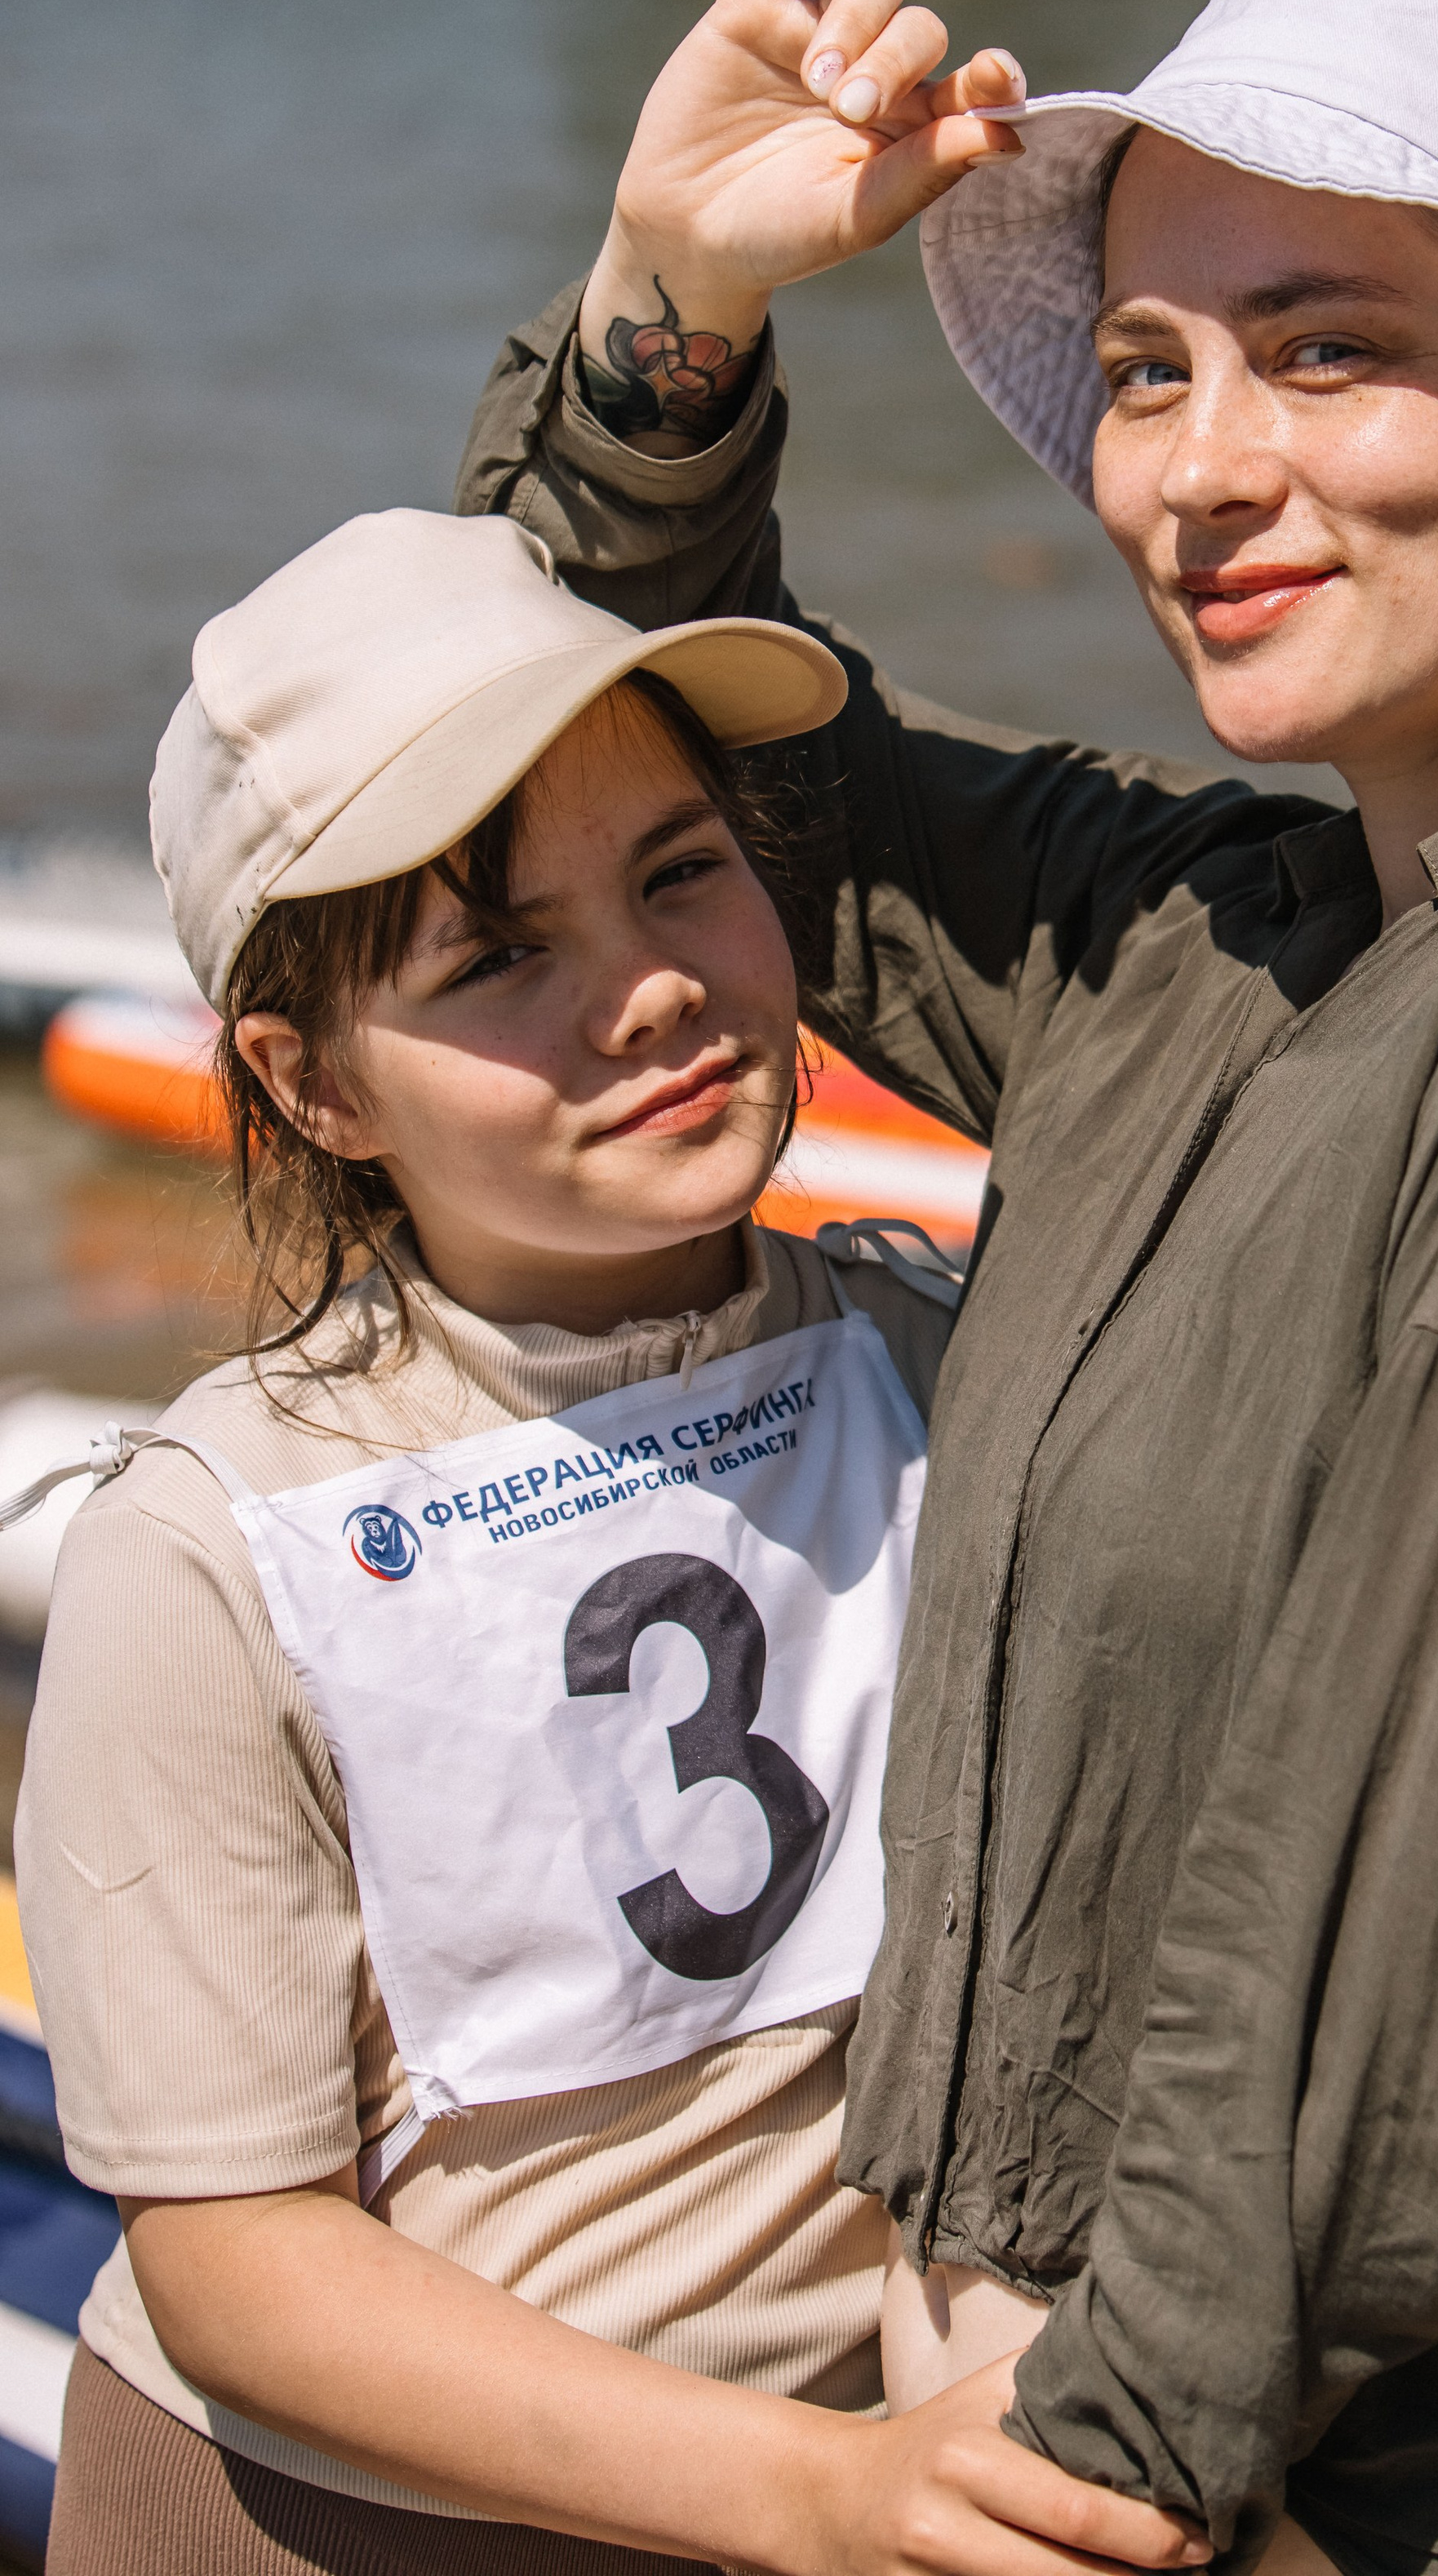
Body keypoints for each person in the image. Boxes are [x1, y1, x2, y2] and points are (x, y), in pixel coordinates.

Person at [456, 0, 1438, 2576]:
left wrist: (1083, 2472)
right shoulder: (1197, 944)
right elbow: (633, 761)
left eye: (1326, 349)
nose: (1198, 470)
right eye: (1146, 368)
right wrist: (674, 304)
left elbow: (1408, 1972)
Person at [13, 510, 1206, 2576]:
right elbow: (236, 2261)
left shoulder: (945, 1360)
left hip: (874, 2483)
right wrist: (817, 2497)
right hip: (344, 2522)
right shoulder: (216, 1552)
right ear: (310, 1085)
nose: (651, 988)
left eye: (680, 871)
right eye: (497, 957)